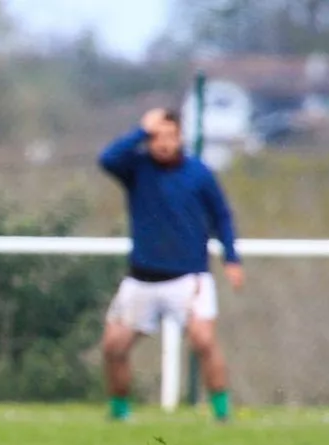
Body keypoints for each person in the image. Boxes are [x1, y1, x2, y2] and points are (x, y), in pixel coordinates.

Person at [98, 107, 244, 422]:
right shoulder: (137, 169)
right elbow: (106, 159)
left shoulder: (199, 174)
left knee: (204, 341)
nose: (163, 144)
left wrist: (231, 257)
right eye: (155, 137)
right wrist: (140, 130)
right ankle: (119, 413)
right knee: (113, 347)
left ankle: (222, 413)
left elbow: (222, 215)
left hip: (188, 278)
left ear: (180, 138)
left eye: (169, 136)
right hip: (142, 279)